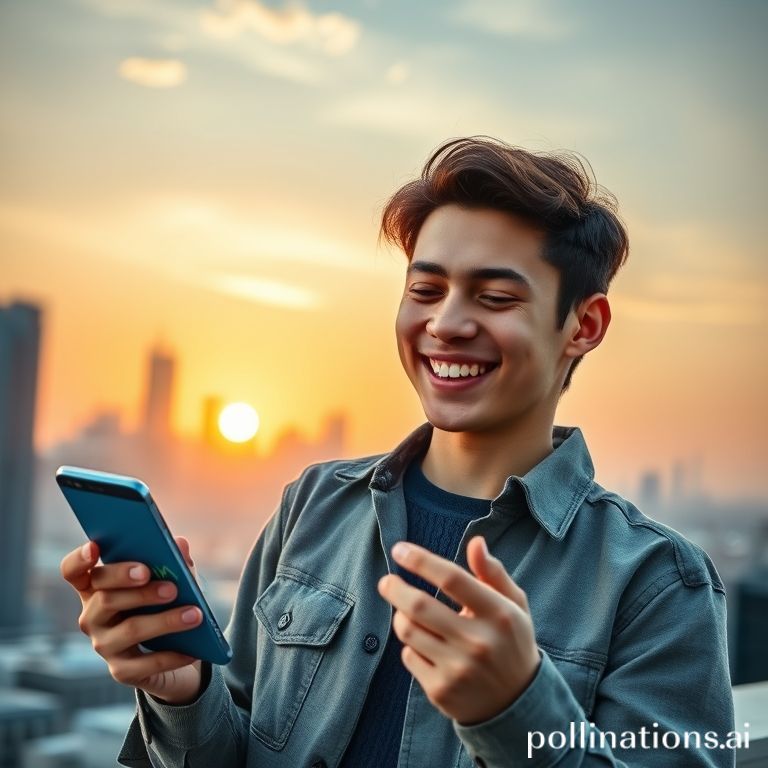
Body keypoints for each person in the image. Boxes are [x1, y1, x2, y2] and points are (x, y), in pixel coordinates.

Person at [61, 136, 735, 767]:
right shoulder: (314, 505)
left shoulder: (657, 584)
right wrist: (182, 690)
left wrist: (516, 707)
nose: (446, 324)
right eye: (425, 289)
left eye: (495, 296)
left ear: (582, 326)